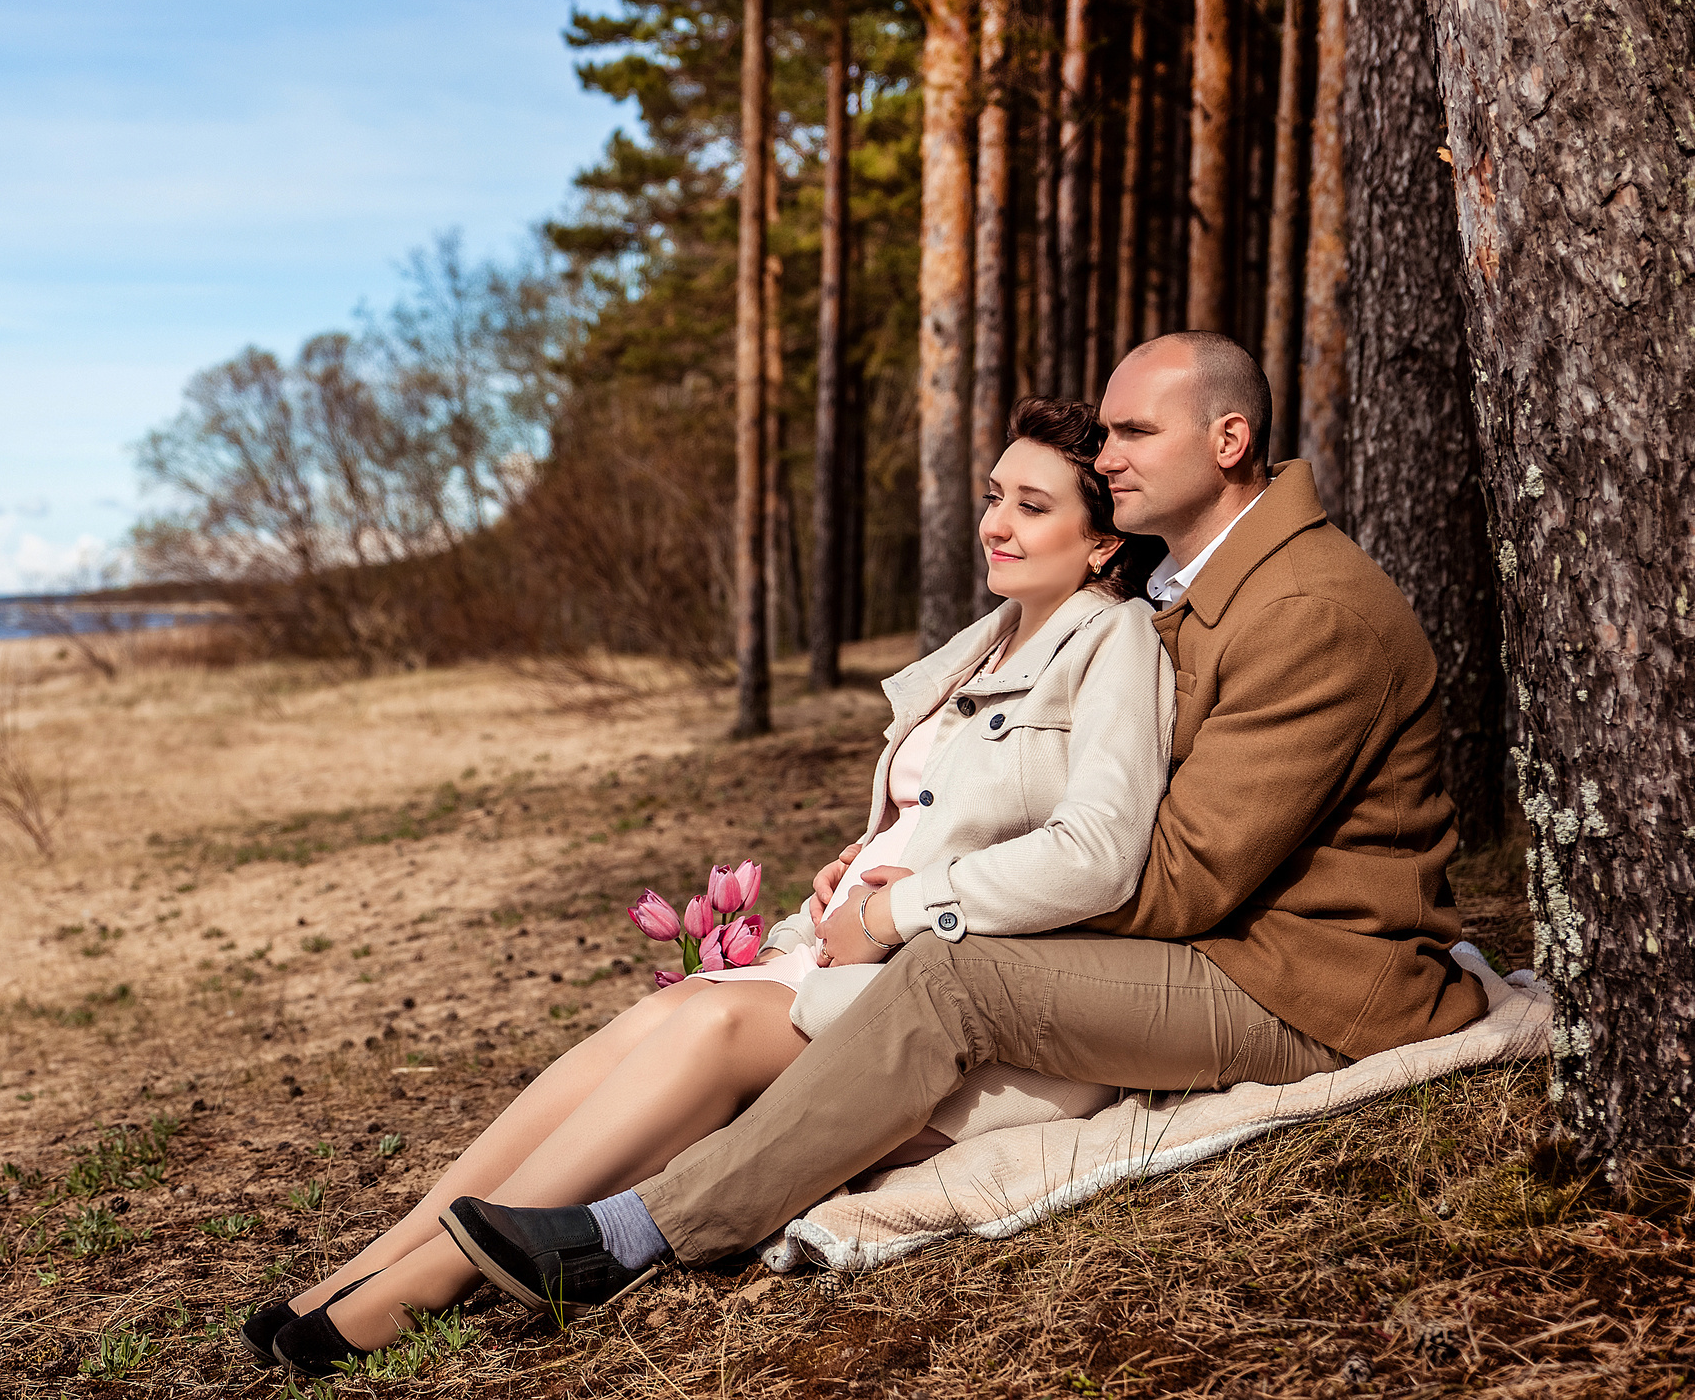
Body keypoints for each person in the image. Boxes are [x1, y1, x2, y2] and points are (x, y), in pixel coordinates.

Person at [440, 331, 1485, 1320]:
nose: (1107, 455)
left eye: (1134, 434)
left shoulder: (1305, 609)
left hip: (1311, 982)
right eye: (1105, 433)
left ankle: (642, 1231)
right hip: (1238, 943)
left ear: (1228, 441)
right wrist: (928, 860)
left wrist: (924, 902)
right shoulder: (1195, 588)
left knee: (956, 974)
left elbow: (1180, 876)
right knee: (927, 964)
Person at [246, 397, 1174, 1375]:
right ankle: (369, 1263)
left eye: (1032, 505)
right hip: (857, 952)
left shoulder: (1113, 642)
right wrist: (857, 865)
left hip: (963, 997)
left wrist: (902, 899)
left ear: (1105, 540)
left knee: (707, 1025)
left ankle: (422, 1285)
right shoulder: (988, 643)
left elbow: (1098, 851)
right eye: (993, 496)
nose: (995, 522)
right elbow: (945, 809)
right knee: (661, 1018)